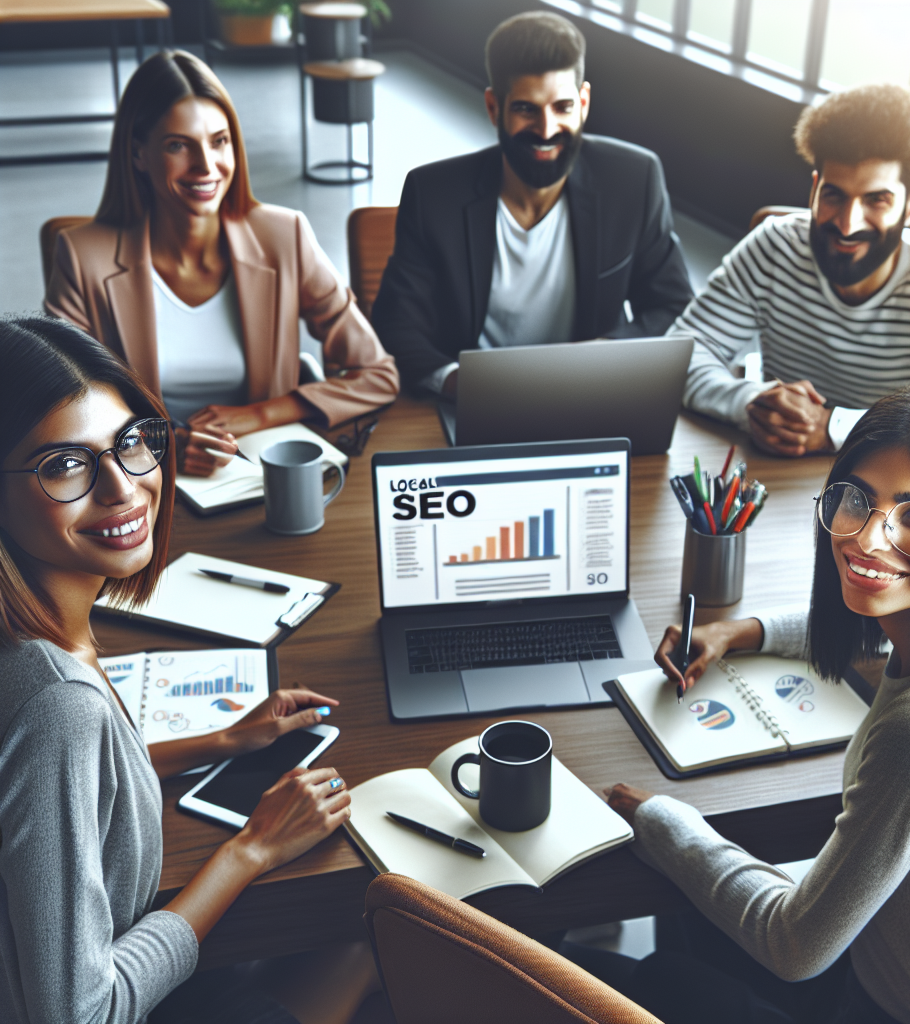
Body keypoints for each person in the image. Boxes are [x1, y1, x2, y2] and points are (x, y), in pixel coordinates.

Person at [578, 381, 910, 1023]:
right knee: (686, 920)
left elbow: (794, 946)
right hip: (883, 957)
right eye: (857, 501)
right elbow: (865, 630)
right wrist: (740, 631)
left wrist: (662, 819)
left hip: (885, 1007)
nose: (870, 540)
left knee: (630, 977)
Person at [0, 315, 376, 1024]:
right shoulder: (57, 704)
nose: (123, 489)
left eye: (131, 442)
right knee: (370, 946)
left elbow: (53, 794)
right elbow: (81, 1012)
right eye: (64, 465)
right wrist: (251, 850)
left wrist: (220, 743)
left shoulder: (35, 642)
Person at [45, 50, 399, 478]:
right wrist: (167, 442)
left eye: (219, 141)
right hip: (141, 478)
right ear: (138, 154)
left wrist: (259, 415)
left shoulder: (285, 236)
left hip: (259, 474)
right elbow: (64, 408)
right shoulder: (83, 256)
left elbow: (377, 374)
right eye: (178, 145)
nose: (206, 167)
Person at [676, 83, 910, 457]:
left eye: (877, 200)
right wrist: (752, 402)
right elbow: (681, 356)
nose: (846, 224)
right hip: (777, 471)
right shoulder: (774, 246)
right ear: (813, 190)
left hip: (896, 487)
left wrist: (834, 426)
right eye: (834, 195)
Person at [371, 10, 693, 395]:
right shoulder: (432, 194)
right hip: (472, 403)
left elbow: (672, 307)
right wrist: (463, 384)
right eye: (526, 108)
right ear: (494, 108)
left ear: (584, 102)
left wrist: (601, 359)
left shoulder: (634, 180)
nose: (546, 129)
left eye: (562, 107)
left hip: (589, 397)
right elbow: (396, 328)